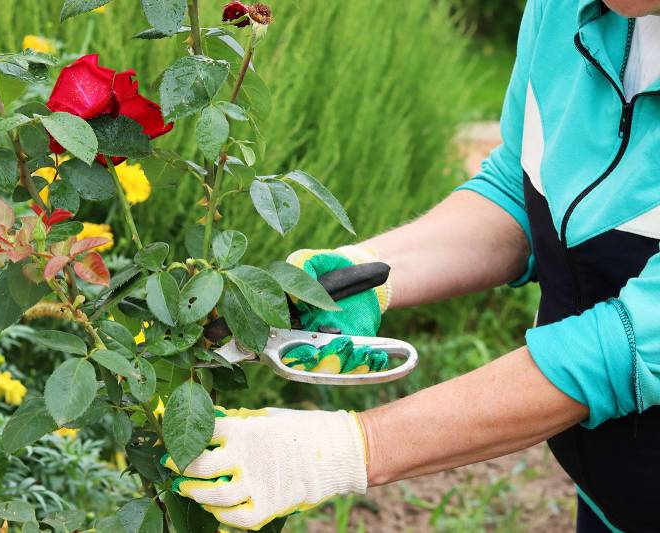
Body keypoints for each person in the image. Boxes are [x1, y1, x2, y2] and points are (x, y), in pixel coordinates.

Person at [161, 1, 660, 530]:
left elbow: (622, 348)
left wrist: (349, 448)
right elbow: (519, 192)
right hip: (612, 502)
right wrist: (369, 271)